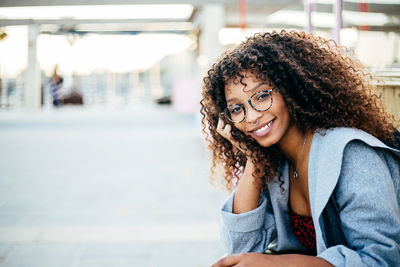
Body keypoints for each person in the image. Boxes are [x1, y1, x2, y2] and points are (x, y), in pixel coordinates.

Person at [200, 30, 400, 266]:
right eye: (236, 109)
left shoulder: (352, 154)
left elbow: (382, 260)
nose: (251, 116)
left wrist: (277, 264)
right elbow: (241, 249)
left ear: (290, 89)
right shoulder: (275, 162)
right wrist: (253, 158)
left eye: (262, 96)